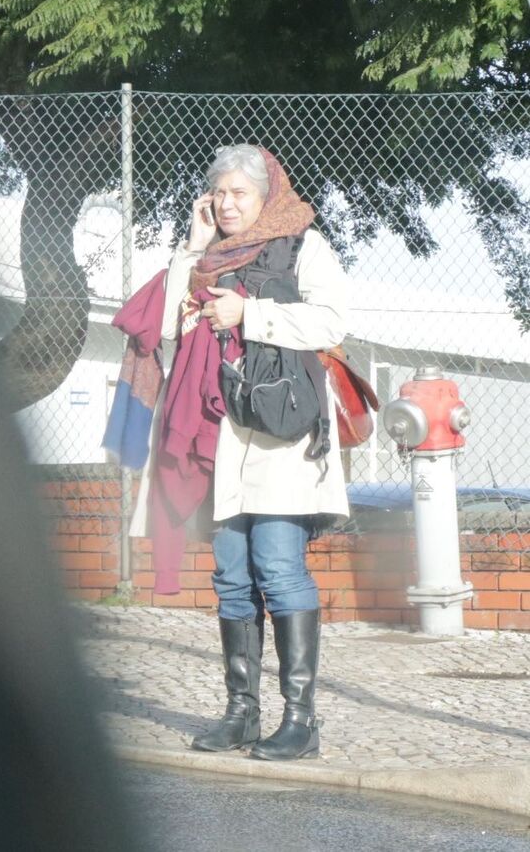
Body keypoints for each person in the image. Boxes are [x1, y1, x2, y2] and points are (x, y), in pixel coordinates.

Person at [129, 144, 349, 762]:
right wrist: (194, 249)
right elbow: (167, 328)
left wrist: (250, 312)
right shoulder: (206, 255)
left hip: (279, 431)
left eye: (239, 194)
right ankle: (240, 714)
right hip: (217, 433)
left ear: (266, 196)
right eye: (218, 193)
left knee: (278, 569)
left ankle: (300, 722)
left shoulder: (304, 245)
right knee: (230, 578)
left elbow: (333, 324)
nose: (227, 204)